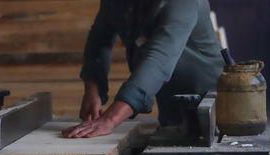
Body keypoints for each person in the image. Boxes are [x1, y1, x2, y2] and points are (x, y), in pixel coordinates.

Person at [62, 0, 224, 138]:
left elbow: (158, 59)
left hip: (214, 110)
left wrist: (110, 119)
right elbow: (100, 39)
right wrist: (93, 90)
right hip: (172, 109)